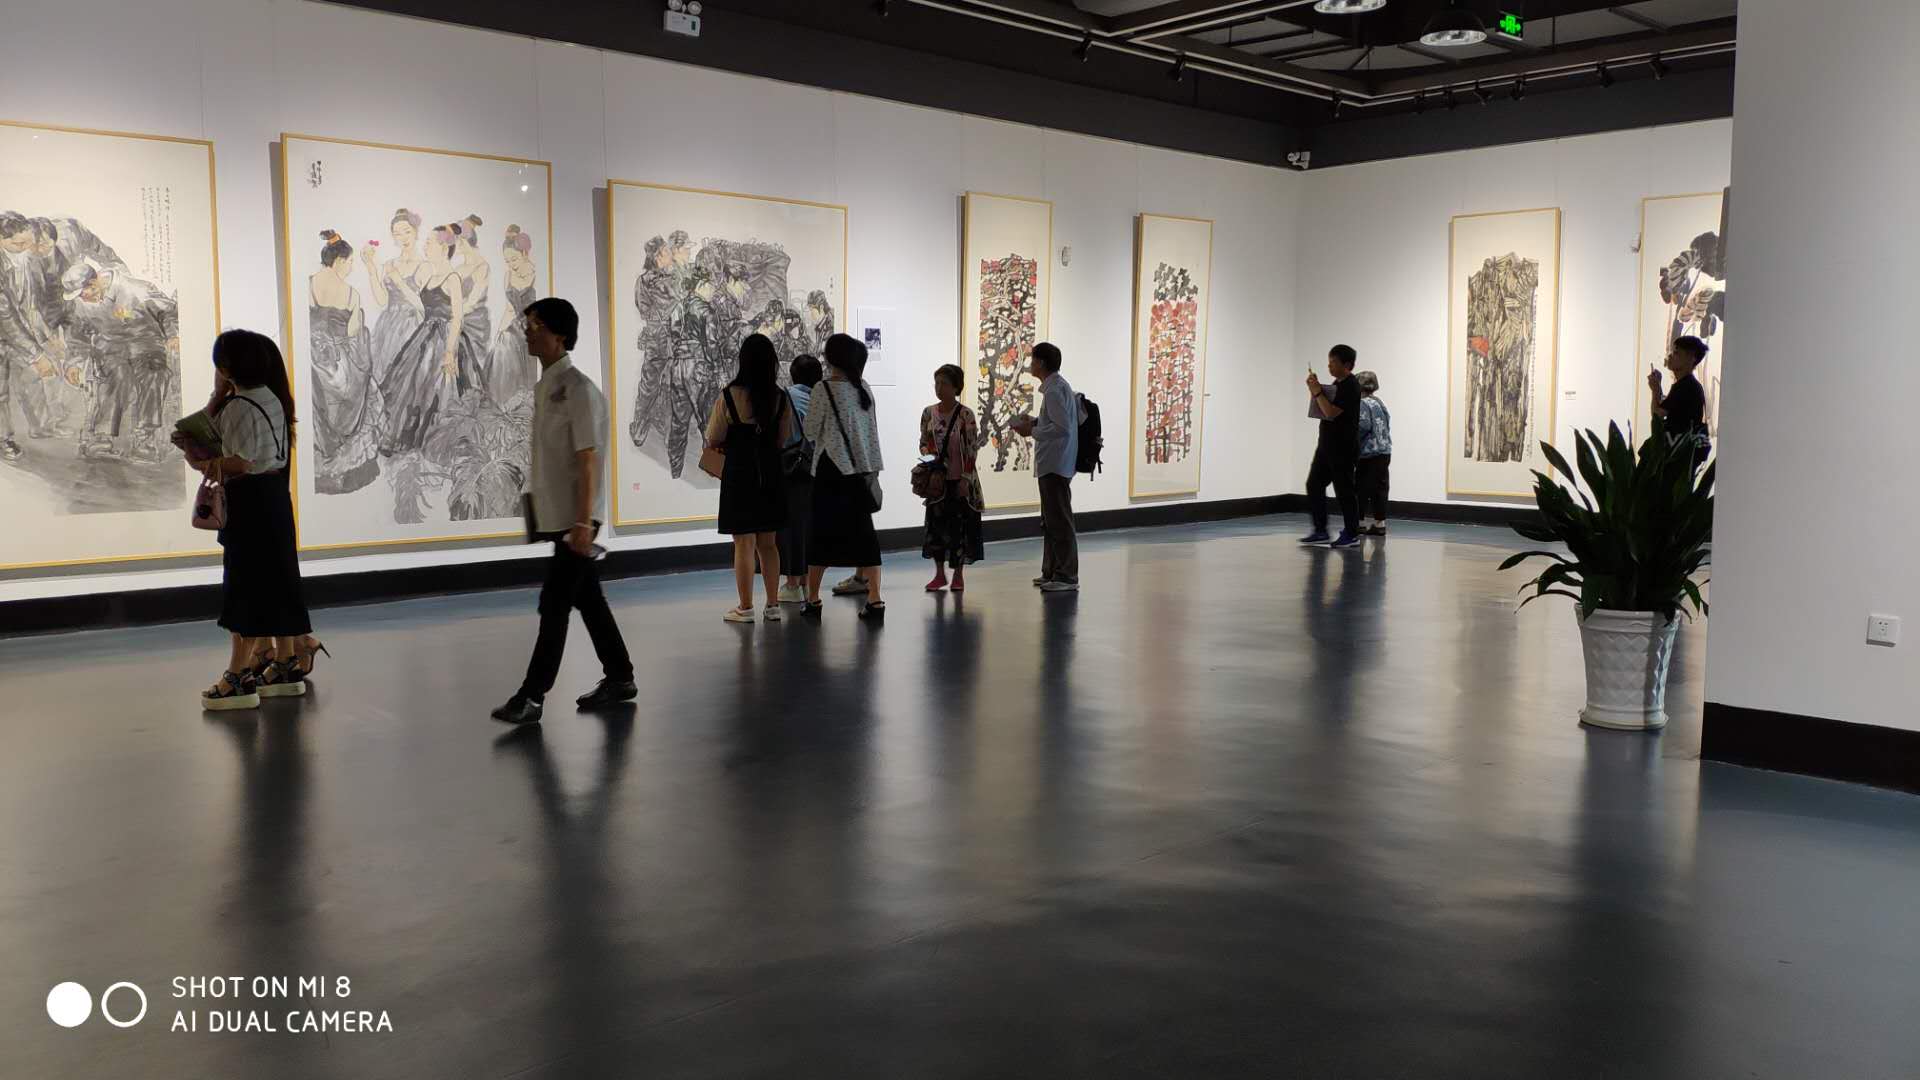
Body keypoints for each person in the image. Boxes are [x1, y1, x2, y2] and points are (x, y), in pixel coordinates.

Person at [491, 298, 636, 725]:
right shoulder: (547, 387)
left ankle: (531, 696)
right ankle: (620, 676)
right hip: (562, 517)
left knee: (554, 604)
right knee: (588, 599)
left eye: (535, 325)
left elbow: (588, 458)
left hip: (577, 518)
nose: (527, 332)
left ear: (559, 335)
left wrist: (583, 522)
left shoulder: (578, 389)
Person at [183, 330, 320, 709]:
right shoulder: (272, 398)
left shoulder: (238, 406)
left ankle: (238, 677)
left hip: (249, 501)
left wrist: (203, 463)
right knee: (276, 581)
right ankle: (284, 664)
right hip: (273, 498)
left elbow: (240, 462)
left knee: (243, 585)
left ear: (226, 369)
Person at [704, 333, 794, 623]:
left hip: (739, 475)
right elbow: (782, 440)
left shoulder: (729, 396)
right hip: (770, 475)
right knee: (768, 544)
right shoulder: (780, 398)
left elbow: (713, 437)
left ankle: (745, 607)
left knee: (743, 543)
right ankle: (773, 605)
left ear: (743, 361)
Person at [801, 333, 885, 622]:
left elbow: (810, 431)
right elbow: (871, 432)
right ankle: (875, 599)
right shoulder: (863, 387)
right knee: (865, 537)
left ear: (830, 358)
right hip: (860, 472)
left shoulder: (824, 389)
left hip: (831, 471)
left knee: (821, 536)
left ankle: (813, 600)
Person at [1010, 342, 1079, 592]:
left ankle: (1066, 576)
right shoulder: (1056, 387)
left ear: (1040, 362)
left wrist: (1032, 431)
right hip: (1055, 463)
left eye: (1032, 359)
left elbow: (1063, 428)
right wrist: (1036, 422)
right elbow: (1058, 422)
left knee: (1058, 521)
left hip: (1055, 464)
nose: (1030, 364)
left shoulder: (1054, 391)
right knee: (1051, 521)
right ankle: (1051, 571)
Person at [920, 363, 984, 592]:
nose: (939, 388)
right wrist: (930, 458)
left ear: (956, 387)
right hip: (938, 481)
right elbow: (923, 442)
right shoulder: (928, 413)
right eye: (936, 383)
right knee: (936, 528)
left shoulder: (965, 415)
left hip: (960, 480)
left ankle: (958, 575)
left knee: (960, 529)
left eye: (944, 383)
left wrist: (966, 478)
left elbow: (971, 448)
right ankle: (939, 574)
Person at [1302, 344, 1362, 549]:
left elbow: (1330, 412)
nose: (1329, 366)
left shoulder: (1351, 386)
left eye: (1333, 362)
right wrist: (1316, 390)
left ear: (1347, 365)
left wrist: (1317, 392)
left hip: (1343, 448)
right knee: (1314, 484)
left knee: (1344, 490)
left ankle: (1352, 534)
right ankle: (1321, 530)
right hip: (1326, 446)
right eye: (1329, 361)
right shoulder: (1337, 383)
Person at [778, 354, 821, 603]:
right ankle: (806, 583)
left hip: (791, 469)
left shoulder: (786, 396)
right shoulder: (821, 400)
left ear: (793, 375)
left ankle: (792, 584)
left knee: (791, 527)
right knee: (809, 526)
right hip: (815, 469)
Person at [1648, 334, 1711, 472]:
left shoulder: (1686, 386)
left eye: (1676, 352)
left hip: (1677, 458)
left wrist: (1655, 390)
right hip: (1680, 454)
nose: (1670, 356)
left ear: (1691, 358)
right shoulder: (1687, 385)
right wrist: (1657, 388)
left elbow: (1657, 415)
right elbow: (1667, 409)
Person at [1353, 370, 1392, 537]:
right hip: (1384, 450)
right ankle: (1380, 523)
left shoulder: (1362, 403)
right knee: (1380, 488)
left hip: (1368, 452)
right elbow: (1387, 421)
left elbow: (1363, 426)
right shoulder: (1378, 401)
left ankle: (1359, 522)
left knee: (1360, 488)